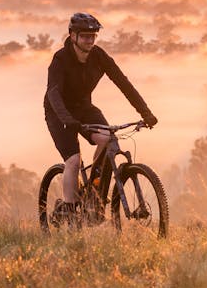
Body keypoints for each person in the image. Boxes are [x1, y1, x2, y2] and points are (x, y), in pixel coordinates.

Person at [44, 12, 158, 218]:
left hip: (84, 107)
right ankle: (69, 213)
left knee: (108, 138)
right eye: (85, 36)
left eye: (93, 36)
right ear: (73, 36)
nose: (90, 40)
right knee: (74, 160)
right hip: (58, 112)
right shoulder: (61, 59)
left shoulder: (99, 56)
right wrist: (68, 120)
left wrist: (145, 112)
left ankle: (94, 194)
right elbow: (53, 93)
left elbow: (123, 83)